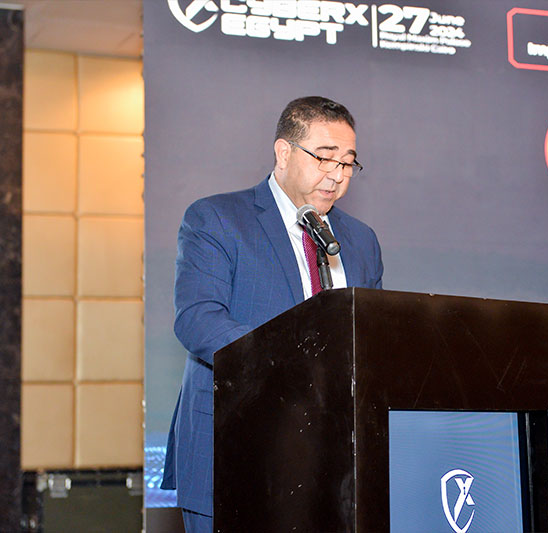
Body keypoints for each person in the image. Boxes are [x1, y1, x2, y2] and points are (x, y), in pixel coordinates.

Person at [160, 96, 383, 532]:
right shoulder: (218, 218)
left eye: (347, 163)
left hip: (332, 460)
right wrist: (293, 367)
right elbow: (198, 318)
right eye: (325, 158)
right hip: (235, 443)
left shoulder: (361, 240)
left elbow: (369, 337)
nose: (337, 175)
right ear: (284, 152)